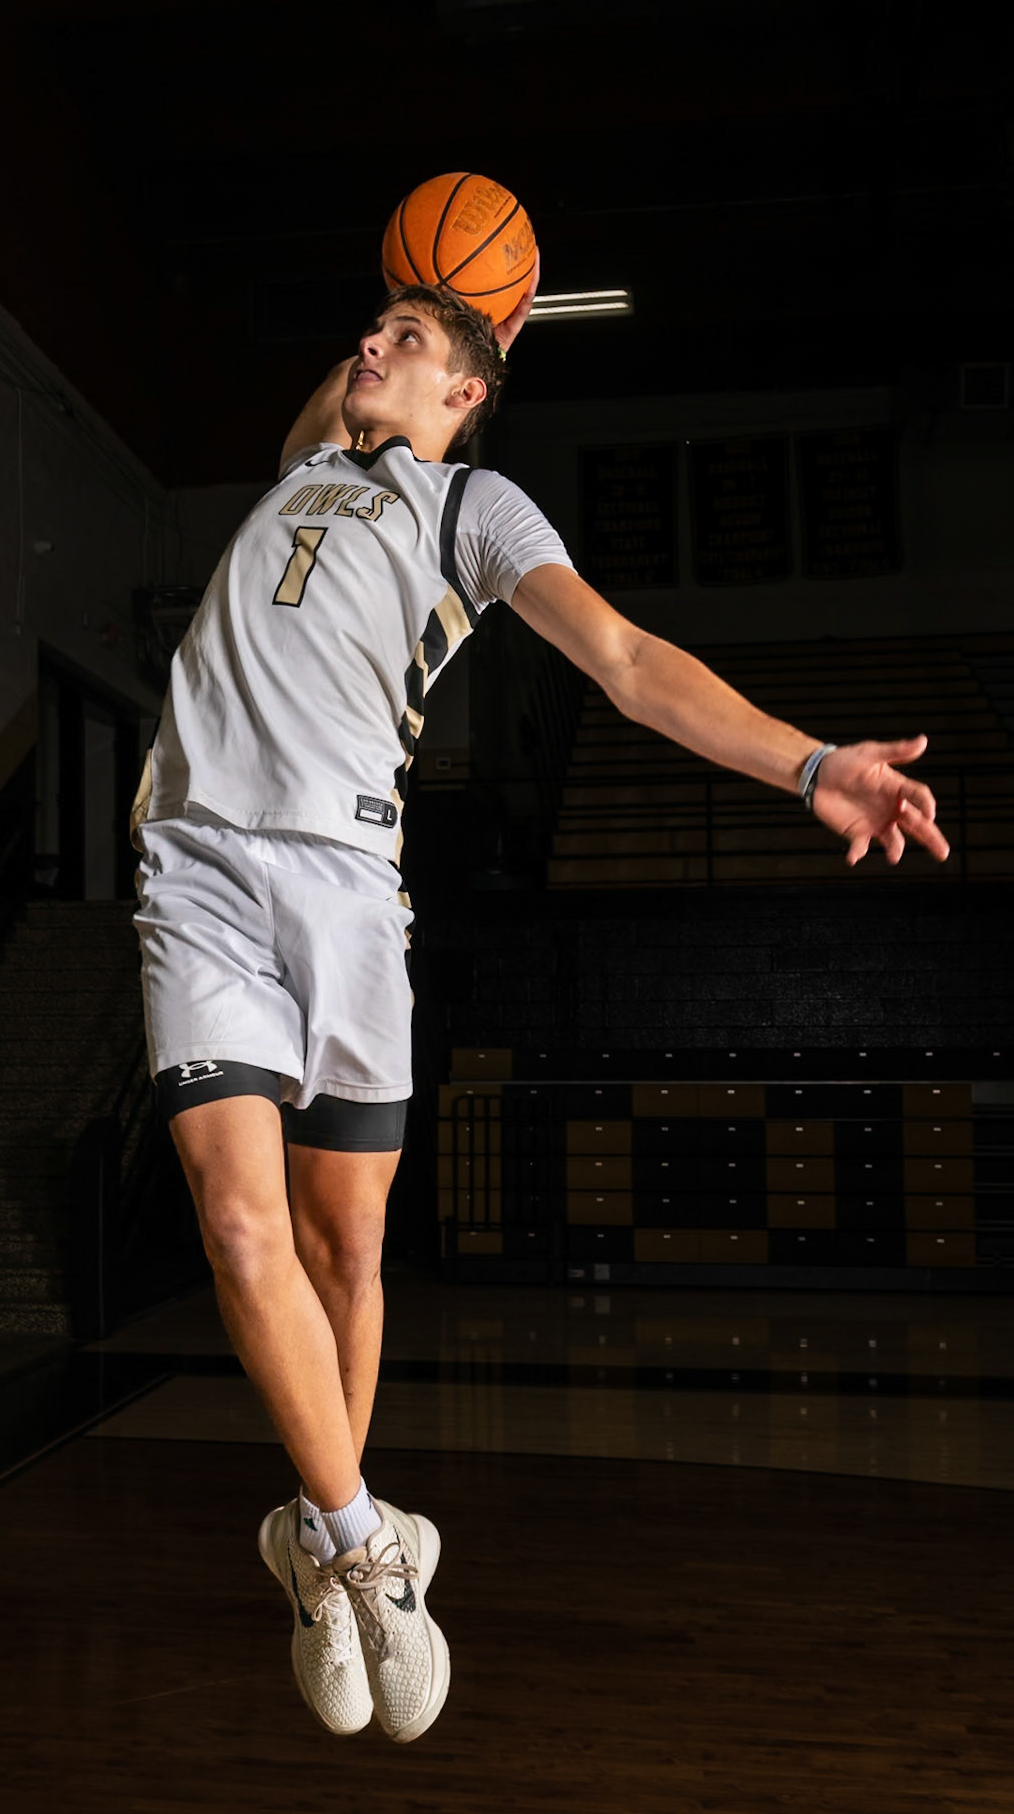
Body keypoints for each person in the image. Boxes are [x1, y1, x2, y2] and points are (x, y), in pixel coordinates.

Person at [130, 270, 950, 1744]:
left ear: (466, 391)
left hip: (347, 885)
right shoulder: (308, 462)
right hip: (197, 870)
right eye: (369, 331)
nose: (368, 345)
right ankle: (364, 1548)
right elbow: (359, 365)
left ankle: (315, 1542)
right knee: (241, 1228)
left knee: (346, 1245)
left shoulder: (475, 509)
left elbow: (627, 665)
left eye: (403, 341)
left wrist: (812, 764)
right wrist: (425, 296)